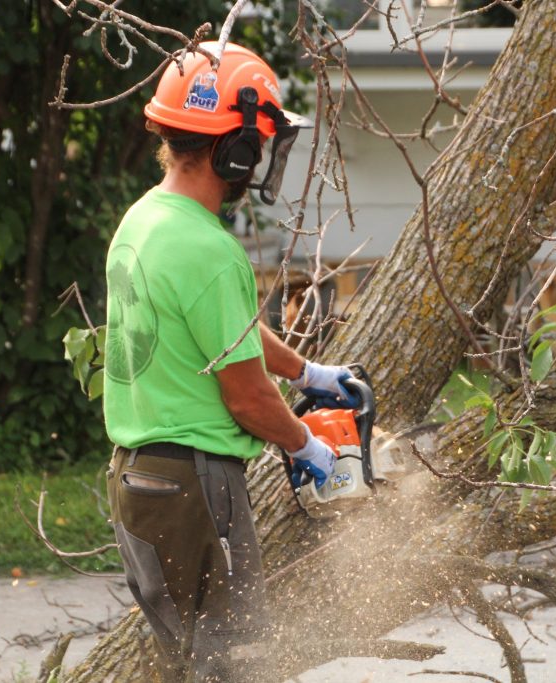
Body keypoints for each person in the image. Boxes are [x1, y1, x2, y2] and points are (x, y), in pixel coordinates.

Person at [103, 41, 355, 682]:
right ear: (232, 149)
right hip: (193, 486)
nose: (259, 160)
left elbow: (225, 332)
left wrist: (304, 374)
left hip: (138, 481)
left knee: (185, 665)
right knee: (233, 668)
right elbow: (244, 397)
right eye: (256, 145)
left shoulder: (145, 220)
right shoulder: (210, 250)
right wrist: (306, 446)